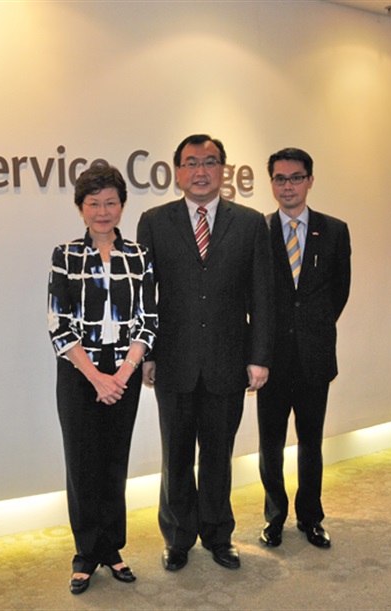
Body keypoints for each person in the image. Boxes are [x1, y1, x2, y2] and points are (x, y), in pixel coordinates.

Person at [136, 134, 273, 572]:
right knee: (175, 456)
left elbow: (262, 295)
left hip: (228, 361)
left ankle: (218, 534)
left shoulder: (251, 224)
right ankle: (178, 538)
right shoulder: (154, 221)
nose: (200, 171)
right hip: (173, 361)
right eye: (191, 163)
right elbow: (145, 295)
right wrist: (148, 353)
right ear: (177, 171)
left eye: (210, 162)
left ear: (223, 171)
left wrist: (259, 356)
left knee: (218, 454)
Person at [48, 165, 157, 594]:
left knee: (114, 462)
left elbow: (148, 321)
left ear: (123, 206)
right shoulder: (65, 255)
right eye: (93, 203)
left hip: (124, 371)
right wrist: (96, 378)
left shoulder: (139, 256)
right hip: (80, 372)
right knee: (82, 464)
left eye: (111, 202)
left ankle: (112, 548)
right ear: (81, 209)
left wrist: (124, 373)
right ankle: (85, 554)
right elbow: (59, 326)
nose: (103, 211)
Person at [257, 148, 351, 549]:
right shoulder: (256, 230)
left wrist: (312, 328)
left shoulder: (334, 230)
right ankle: (275, 517)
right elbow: (252, 295)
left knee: (311, 442)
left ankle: (310, 517)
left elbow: (339, 292)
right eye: (280, 178)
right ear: (272, 183)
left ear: (310, 180)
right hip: (270, 361)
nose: (288, 186)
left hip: (314, 357)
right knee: (270, 445)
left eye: (296, 177)